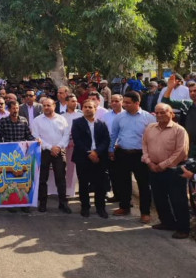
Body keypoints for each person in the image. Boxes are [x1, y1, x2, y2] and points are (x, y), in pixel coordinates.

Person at [142, 103, 190, 239]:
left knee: (178, 200)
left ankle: (183, 228)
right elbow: (144, 146)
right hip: (153, 168)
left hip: (173, 170)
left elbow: (180, 152)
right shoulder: (150, 128)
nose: (159, 115)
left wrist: (162, 165)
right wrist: (149, 162)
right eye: (157, 113)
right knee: (159, 198)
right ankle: (167, 222)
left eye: (163, 112)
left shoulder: (179, 130)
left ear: (172, 114)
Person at [109, 91, 155, 223]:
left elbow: (152, 138)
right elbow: (114, 134)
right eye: (124, 102)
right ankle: (124, 206)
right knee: (123, 182)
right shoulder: (120, 117)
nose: (125, 105)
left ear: (137, 103)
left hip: (141, 155)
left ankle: (145, 212)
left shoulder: (148, 118)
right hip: (122, 153)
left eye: (128, 103)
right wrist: (111, 150)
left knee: (144, 185)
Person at [71, 100, 110, 219]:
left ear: (95, 109)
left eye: (90, 107)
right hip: (83, 157)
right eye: (85, 107)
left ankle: (100, 207)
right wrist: (89, 153)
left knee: (100, 184)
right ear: (82, 109)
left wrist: (97, 152)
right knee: (83, 184)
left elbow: (106, 140)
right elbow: (77, 140)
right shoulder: (77, 123)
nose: (87, 109)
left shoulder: (101, 124)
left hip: (99, 158)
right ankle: (85, 207)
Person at [31, 98, 71, 213]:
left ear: (54, 106)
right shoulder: (37, 120)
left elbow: (66, 135)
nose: (46, 107)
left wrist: (58, 147)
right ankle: (42, 204)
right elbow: (36, 136)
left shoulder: (62, 119)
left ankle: (63, 203)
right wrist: (50, 147)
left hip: (59, 151)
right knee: (43, 179)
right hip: (44, 152)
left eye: (49, 105)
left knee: (61, 178)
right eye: (44, 105)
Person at [161, 74, 196, 158]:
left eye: (195, 91)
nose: (192, 93)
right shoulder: (186, 104)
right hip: (189, 144)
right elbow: (165, 102)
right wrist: (170, 88)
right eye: (190, 91)